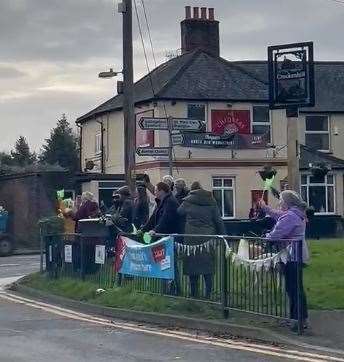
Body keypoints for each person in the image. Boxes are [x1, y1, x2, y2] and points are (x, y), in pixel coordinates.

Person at [259, 190, 310, 331]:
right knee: (296, 288)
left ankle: (297, 321)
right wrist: (265, 208)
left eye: (281, 200)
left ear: (287, 202)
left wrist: (265, 236)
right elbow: (278, 215)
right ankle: (300, 319)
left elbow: (277, 234)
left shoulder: (290, 216)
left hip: (292, 256)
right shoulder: (295, 213)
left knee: (293, 289)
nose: (279, 202)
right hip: (296, 255)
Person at [178, 181, 225, 299]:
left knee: (192, 267)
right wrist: (223, 236)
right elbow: (218, 220)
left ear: (192, 190)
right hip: (207, 238)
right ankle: (208, 294)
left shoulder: (187, 201)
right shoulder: (211, 200)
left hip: (191, 237)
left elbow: (179, 212)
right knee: (208, 268)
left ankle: (194, 294)